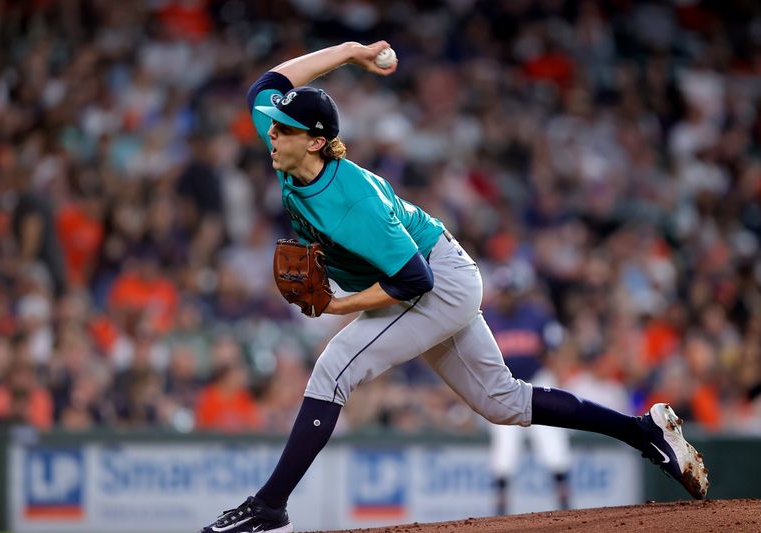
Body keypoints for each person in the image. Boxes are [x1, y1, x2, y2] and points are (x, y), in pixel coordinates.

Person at [200, 41, 709, 533]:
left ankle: (268, 509)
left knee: (334, 369)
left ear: (314, 141)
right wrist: (352, 52)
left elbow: (413, 280)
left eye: (285, 129)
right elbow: (268, 85)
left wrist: (340, 305)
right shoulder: (288, 146)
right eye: (276, 125)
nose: (272, 133)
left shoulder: (351, 203)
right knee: (502, 401)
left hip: (434, 279)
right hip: (439, 267)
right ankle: (645, 433)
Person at [483, 266, 570, 515]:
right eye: (502, 292)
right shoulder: (486, 317)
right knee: (504, 445)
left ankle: (564, 498)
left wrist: (559, 374)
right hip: (504, 386)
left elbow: (558, 346)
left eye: (510, 292)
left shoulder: (537, 316)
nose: (506, 296)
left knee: (551, 438)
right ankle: (501, 506)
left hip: (537, 380)